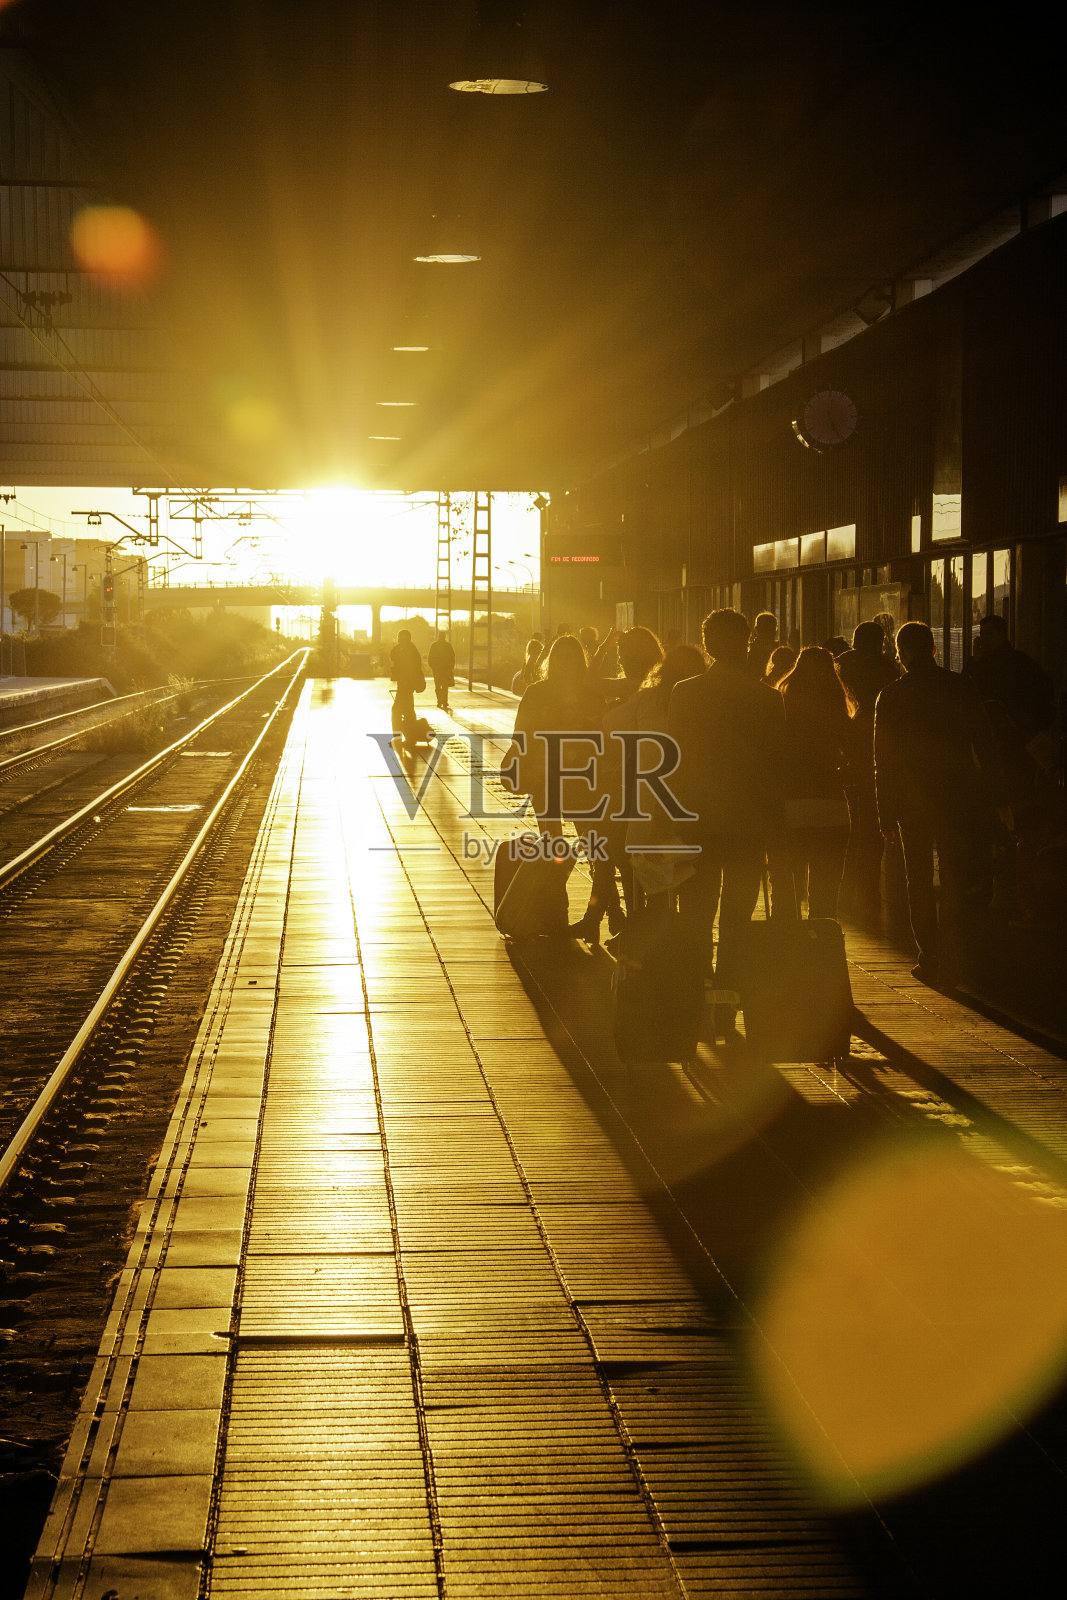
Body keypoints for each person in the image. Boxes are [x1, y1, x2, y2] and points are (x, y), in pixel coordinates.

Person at [668, 609, 786, 1035]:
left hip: (698, 820)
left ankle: (695, 986)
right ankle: (730, 993)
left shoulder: (685, 693)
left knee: (696, 910)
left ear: (708, 644)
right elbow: (777, 766)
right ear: (747, 641)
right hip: (748, 823)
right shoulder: (768, 698)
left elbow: (674, 761)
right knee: (739, 911)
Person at [874, 621, 1005, 989]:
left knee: (917, 876)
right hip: (958, 795)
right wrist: (997, 797)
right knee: (954, 875)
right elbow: (985, 743)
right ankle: (956, 949)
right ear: (933, 649)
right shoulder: (960, 687)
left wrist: (885, 810)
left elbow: (883, 758)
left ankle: (929, 955)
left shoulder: (892, 695)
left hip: (912, 801)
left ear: (902, 654)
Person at [572, 626, 665, 942]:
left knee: (611, 853)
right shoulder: (660, 684)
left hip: (623, 779)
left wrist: (603, 647)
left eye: (625, 651)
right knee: (618, 855)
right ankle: (613, 921)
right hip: (637, 777)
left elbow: (589, 683)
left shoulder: (632, 686)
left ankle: (618, 922)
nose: (622, 656)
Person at [776, 647, 852, 918]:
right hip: (831, 804)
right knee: (825, 890)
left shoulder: (781, 709)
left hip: (789, 805)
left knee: (785, 886)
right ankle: (821, 948)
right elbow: (854, 755)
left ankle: (785, 949)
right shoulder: (838, 712)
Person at [836, 621, 900, 918]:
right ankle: (869, 887)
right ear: (880, 642)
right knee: (871, 825)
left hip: (846, 744)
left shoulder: (841, 664)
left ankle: (843, 887)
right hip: (876, 747)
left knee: (847, 822)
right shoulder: (888, 669)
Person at [389, 628, 425, 742]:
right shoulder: (405, 648)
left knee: (397, 710)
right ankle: (410, 737)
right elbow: (393, 655)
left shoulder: (409, 650)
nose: (399, 640)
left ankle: (400, 738)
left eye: (400, 638)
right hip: (405, 684)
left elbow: (410, 667)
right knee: (408, 710)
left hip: (406, 684)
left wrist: (406, 680)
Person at [427, 630, 456, 712]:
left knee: (437, 686)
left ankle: (439, 701)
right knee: (445, 686)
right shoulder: (448, 645)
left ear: (438, 636)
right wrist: (451, 667)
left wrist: (432, 666)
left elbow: (430, 657)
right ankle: (445, 702)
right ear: (444, 637)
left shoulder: (434, 645)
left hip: (437, 669)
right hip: (446, 669)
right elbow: (452, 656)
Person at [747, 611, 778, 678]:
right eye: (765, 629)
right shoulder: (779, 651)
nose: (767, 632)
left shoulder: (749, 651)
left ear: (756, 629)